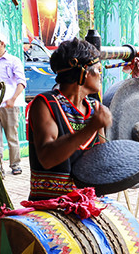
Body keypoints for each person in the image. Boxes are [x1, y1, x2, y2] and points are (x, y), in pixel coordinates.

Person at [26, 38, 112, 201]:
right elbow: (47, 158)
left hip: (88, 203)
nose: (101, 76)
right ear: (85, 72)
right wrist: (90, 128)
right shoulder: (45, 104)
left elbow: (102, 159)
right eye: (98, 70)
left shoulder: (95, 108)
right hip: (51, 205)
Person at [0, 32, 26, 175]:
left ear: (3, 44)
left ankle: (15, 165)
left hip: (10, 105)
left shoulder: (13, 60)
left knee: (12, 137)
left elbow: (21, 82)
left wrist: (13, 99)